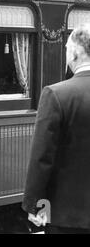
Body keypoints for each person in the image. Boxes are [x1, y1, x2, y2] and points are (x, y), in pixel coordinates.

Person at [22, 23, 90, 233]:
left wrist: (35, 207)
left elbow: (42, 159)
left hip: (67, 217)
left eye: (68, 51)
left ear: (76, 54)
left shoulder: (56, 94)